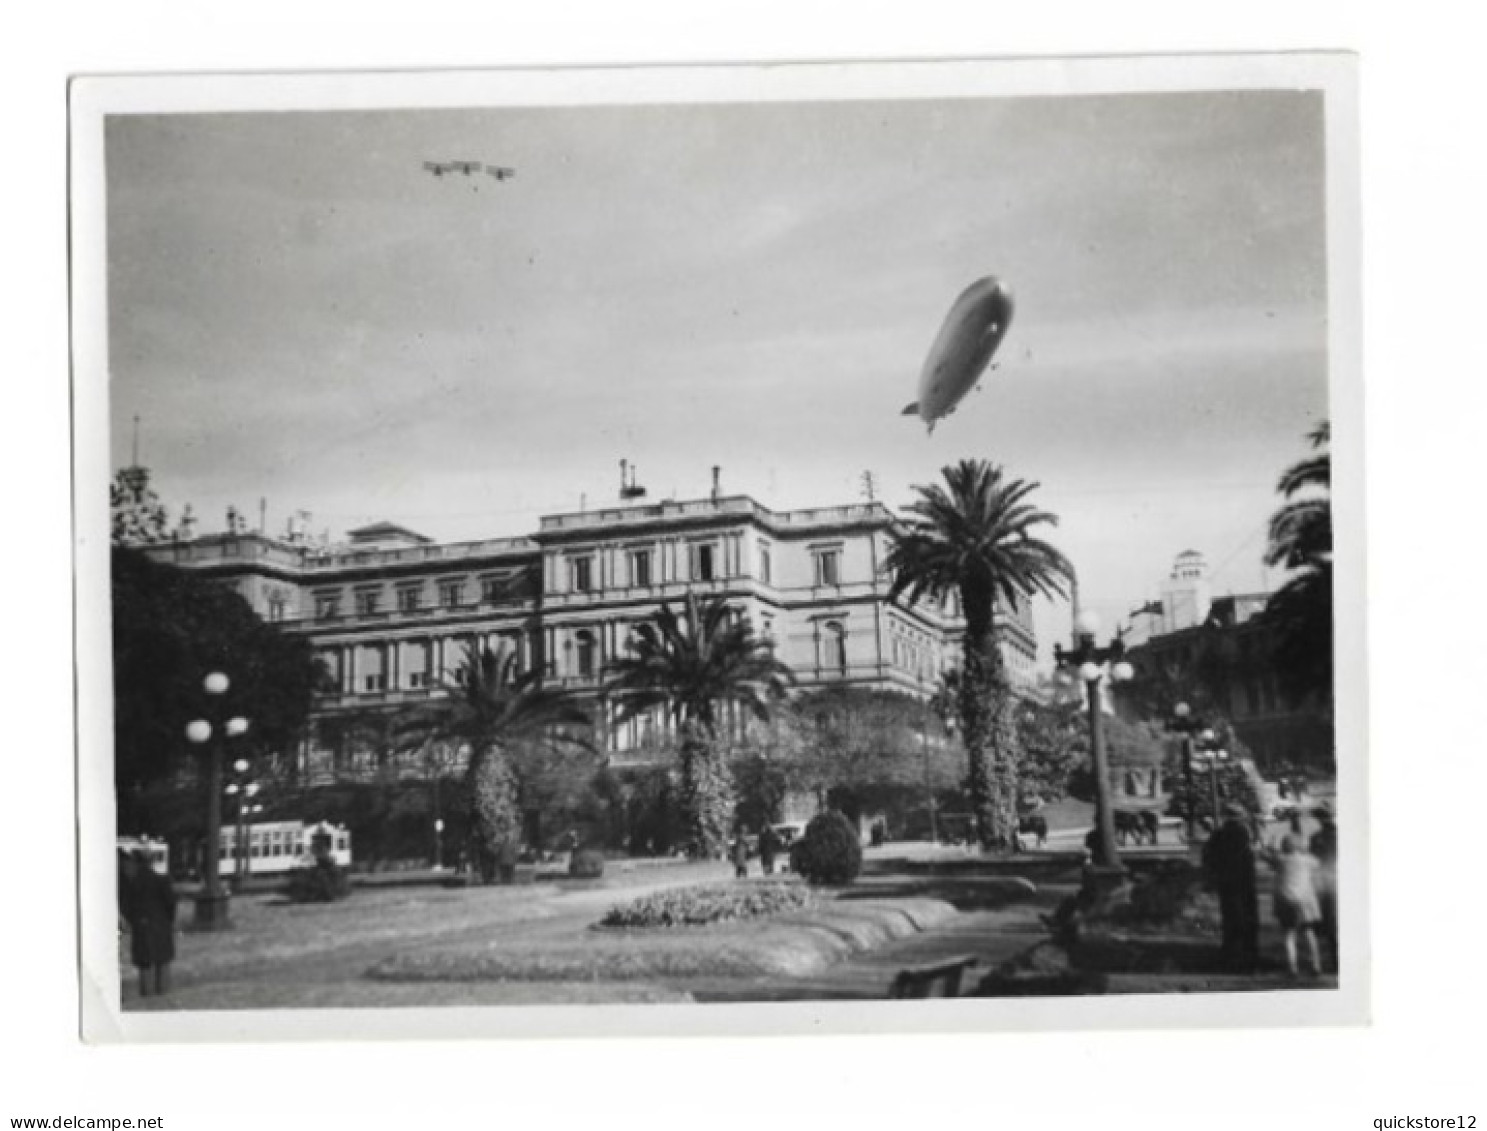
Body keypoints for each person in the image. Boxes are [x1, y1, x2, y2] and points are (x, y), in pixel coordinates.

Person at [1203, 803, 1260, 972]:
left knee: (1231, 920)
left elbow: (1208, 858)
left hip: (1227, 883)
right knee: (1248, 919)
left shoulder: (1218, 835)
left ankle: (1230, 957)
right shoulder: (1244, 833)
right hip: (1245, 882)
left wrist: (1214, 875)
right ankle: (1249, 958)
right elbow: (1248, 858)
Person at [119, 848, 178, 998]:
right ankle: (163, 996)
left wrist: (135, 921)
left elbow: (125, 906)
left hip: (141, 927)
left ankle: (147, 996)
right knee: (163, 962)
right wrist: (168, 920)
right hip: (161, 926)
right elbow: (171, 903)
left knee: (145, 964)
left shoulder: (131, 884)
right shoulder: (162, 880)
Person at [1268, 834, 1323, 977]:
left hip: (1286, 899)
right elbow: (1318, 863)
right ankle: (1315, 965)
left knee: (1289, 934)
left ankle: (1292, 967)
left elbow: (1269, 857)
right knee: (1309, 932)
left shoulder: (1281, 860)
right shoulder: (1307, 860)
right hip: (1304, 899)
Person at [1309, 804, 1339, 967]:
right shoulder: (1341, 835)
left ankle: (1333, 956)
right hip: (1336, 877)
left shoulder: (1316, 838)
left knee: (1329, 918)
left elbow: (1313, 860)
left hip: (1324, 879)